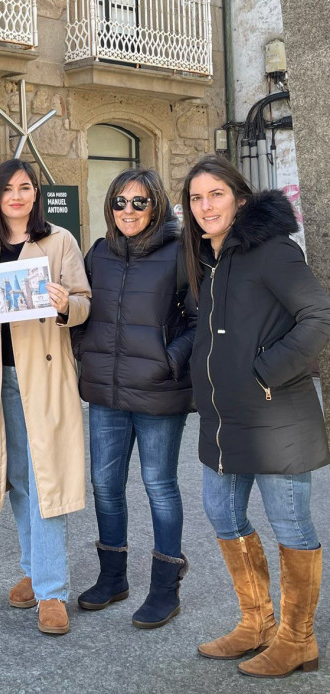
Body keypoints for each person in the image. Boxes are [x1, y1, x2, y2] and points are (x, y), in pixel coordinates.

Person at [182, 155, 330, 678]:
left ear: (240, 199)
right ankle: (257, 622)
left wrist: (266, 373)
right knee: (221, 513)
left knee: (290, 523)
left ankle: (298, 640)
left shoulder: (271, 251)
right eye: (197, 198)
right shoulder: (212, 259)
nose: (205, 207)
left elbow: (319, 314)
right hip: (223, 421)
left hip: (277, 422)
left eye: (215, 195)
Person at [72, 169, 196, 629]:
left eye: (139, 203)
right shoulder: (98, 252)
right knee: (105, 486)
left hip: (159, 389)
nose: (128, 211)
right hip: (106, 390)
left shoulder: (181, 253)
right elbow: (82, 310)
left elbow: (200, 320)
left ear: (156, 206)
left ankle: (165, 588)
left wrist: (169, 360)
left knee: (159, 486)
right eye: (120, 202)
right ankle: (113, 578)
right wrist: (83, 350)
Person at [0, 159, 90, 635]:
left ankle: (52, 590)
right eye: (8, 189)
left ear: (35, 195)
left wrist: (67, 306)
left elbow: (85, 302)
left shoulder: (58, 241)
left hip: (40, 378)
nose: (17, 196)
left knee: (48, 483)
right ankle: (33, 567)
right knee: (17, 479)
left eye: (26, 188)